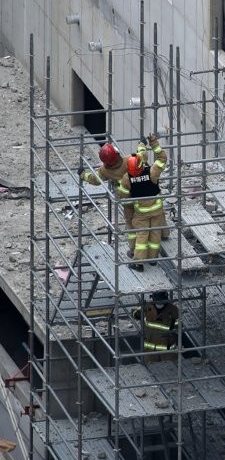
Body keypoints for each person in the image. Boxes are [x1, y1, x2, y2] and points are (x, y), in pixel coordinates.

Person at [119, 134, 168, 271]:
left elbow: (123, 195)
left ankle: (138, 263)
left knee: (142, 235)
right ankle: (152, 259)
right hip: (157, 210)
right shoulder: (152, 172)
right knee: (155, 233)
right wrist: (153, 143)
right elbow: (162, 158)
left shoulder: (126, 178)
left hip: (141, 213)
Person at [80, 142, 136, 256]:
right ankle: (163, 234)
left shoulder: (105, 171)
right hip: (142, 194)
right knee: (151, 215)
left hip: (127, 200)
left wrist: (83, 174)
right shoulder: (128, 160)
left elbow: (94, 180)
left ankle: (134, 250)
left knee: (131, 224)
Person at [133, 291, 179, 362]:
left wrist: (175, 327)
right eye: (158, 300)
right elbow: (135, 313)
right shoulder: (147, 307)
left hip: (167, 351)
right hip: (150, 351)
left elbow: (178, 326)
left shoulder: (173, 310)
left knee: (170, 369)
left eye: (161, 300)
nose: (160, 303)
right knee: (150, 369)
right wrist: (138, 312)